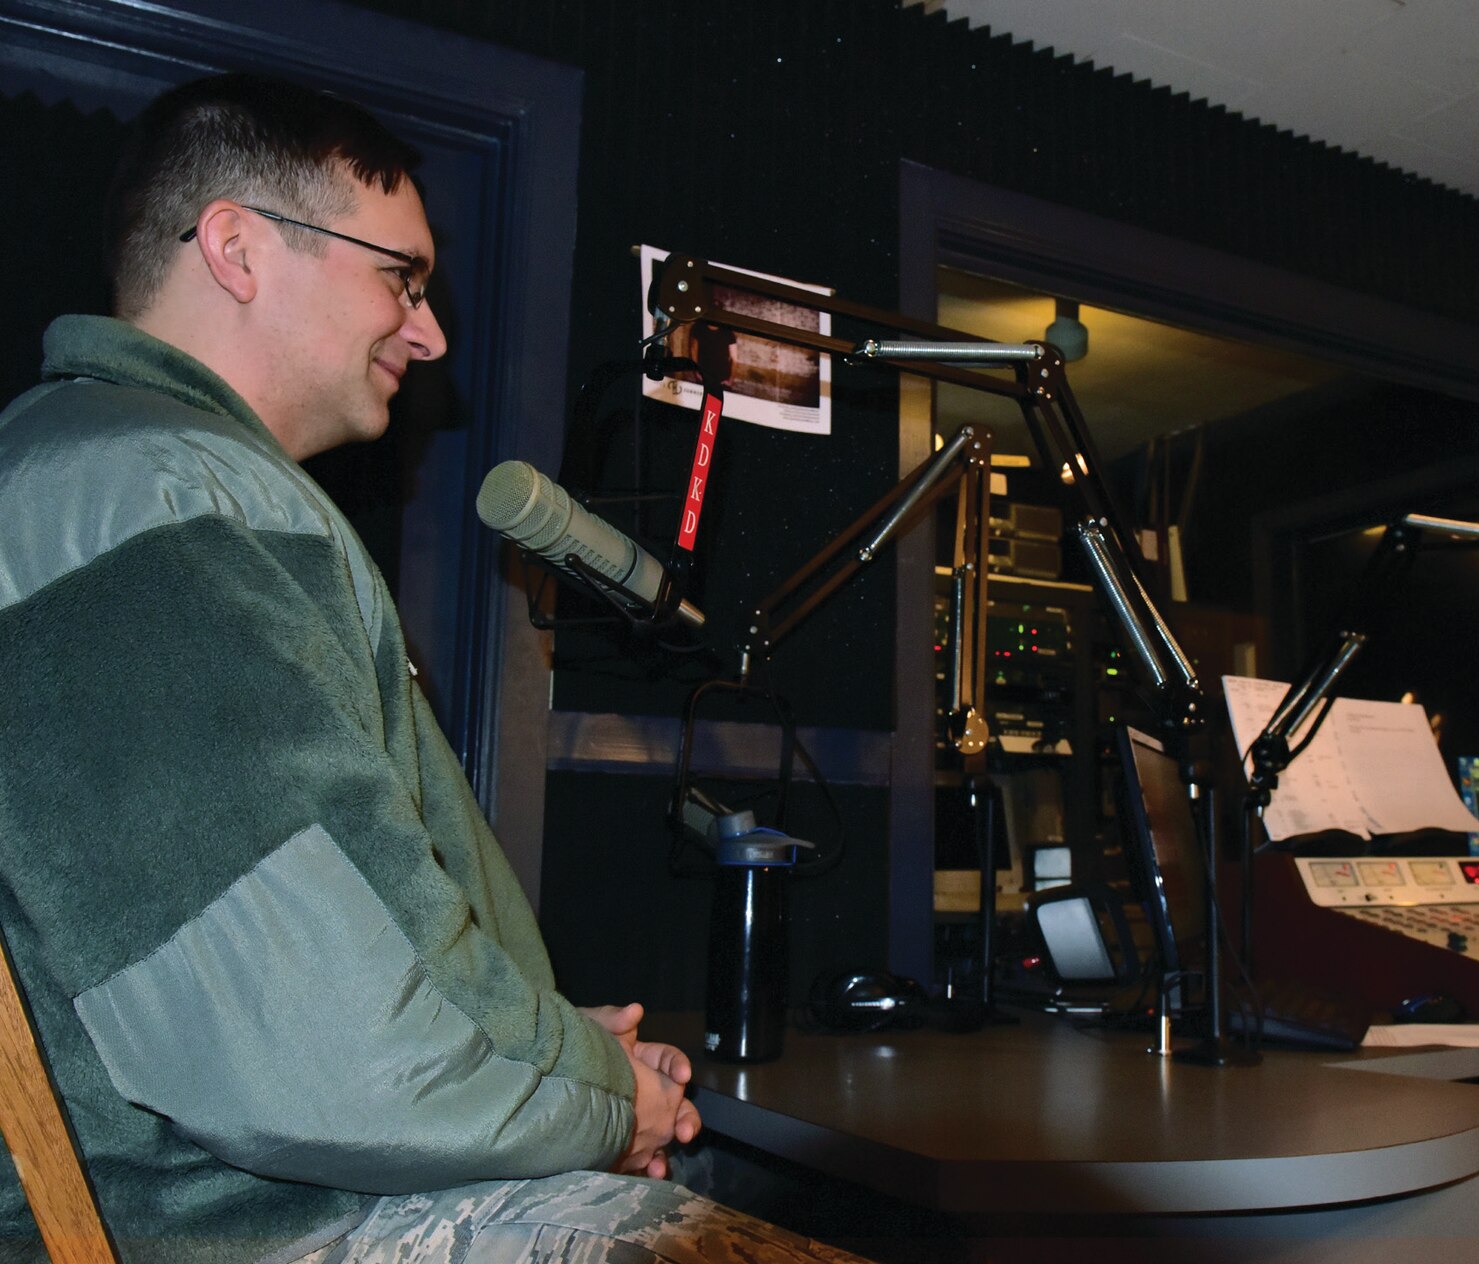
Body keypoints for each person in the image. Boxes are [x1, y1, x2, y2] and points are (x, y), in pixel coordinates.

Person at [0, 73, 859, 1264]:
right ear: (239, 248)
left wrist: (569, 1057)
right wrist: (604, 1097)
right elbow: (313, 1040)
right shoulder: (152, 501)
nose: (431, 329)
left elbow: (328, 950)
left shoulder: (135, 483)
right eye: (398, 277)